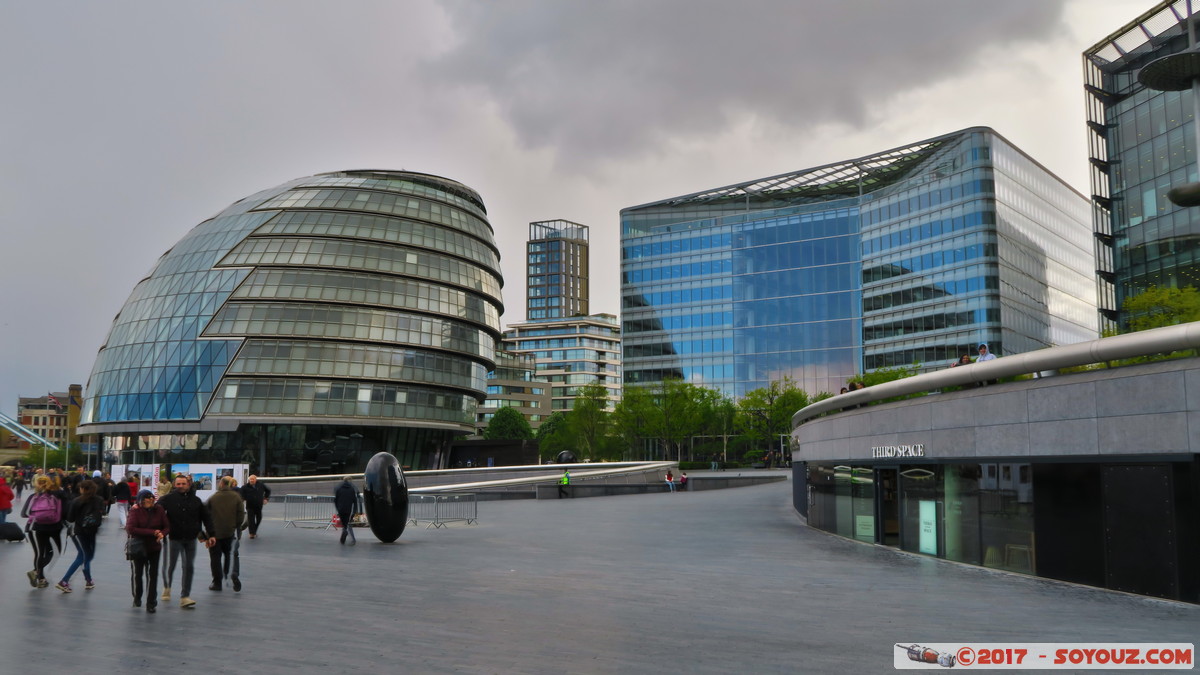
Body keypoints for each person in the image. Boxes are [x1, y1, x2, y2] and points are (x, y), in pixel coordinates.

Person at [158, 474, 213, 609]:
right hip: (174, 537)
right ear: (174, 485)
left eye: (183, 484)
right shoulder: (167, 499)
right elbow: (156, 510)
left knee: (188, 566)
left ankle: (185, 596)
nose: (181, 486)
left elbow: (206, 518)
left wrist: (211, 535)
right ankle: (167, 586)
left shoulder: (196, 501)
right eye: (178, 484)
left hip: (191, 538)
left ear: (188, 485)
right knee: (171, 565)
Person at [57, 479, 105, 593]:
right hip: (92, 531)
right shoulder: (99, 500)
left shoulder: (76, 501)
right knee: (87, 556)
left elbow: (70, 518)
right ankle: (87, 580)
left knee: (82, 556)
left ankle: (65, 580)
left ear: (82, 489)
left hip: (78, 531)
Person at [126, 489, 167, 613]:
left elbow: (166, 526)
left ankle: (151, 602)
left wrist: (162, 534)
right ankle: (137, 596)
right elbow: (131, 529)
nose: (149, 500)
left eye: (151, 497)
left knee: (153, 575)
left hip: (154, 547)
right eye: (146, 497)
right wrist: (152, 532)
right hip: (139, 547)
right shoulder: (135, 510)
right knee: (138, 574)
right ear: (140, 500)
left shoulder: (159, 509)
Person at [21, 474, 65, 588]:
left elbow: (24, 513)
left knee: (39, 553)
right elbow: (62, 512)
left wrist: (37, 514)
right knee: (55, 552)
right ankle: (39, 576)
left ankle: (38, 574)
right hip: (54, 527)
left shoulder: (33, 496)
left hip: (35, 527)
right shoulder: (56, 496)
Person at [205, 476, 246, 592]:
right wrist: (234, 526)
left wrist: (206, 533)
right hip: (230, 533)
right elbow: (241, 516)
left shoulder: (213, 498)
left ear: (222, 484)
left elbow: (205, 515)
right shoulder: (236, 497)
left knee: (215, 558)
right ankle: (234, 574)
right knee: (232, 555)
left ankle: (217, 582)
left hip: (215, 534)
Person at [239, 474, 271, 539]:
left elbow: (268, 490)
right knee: (251, 520)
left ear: (256, 480)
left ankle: (254, 531)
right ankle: (251, 533)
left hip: (259, 505)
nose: (251, 480)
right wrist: (244, 498)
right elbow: (241, 494)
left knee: (259, 518)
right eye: (250, 479)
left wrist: (266, 498)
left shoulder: (261, 485)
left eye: (253, 479)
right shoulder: (245, 487)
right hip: (250, 506)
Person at [334, 476, 359, 546]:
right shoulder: (352, 489)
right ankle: (349, 537)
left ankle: (344, 536)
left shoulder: (339, 489)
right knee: (347, 523)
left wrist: (338, 508)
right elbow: (355, 501)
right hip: (348, 509)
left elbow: (336, 500)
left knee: (344, 524)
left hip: (341, 509)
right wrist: (354, 511)